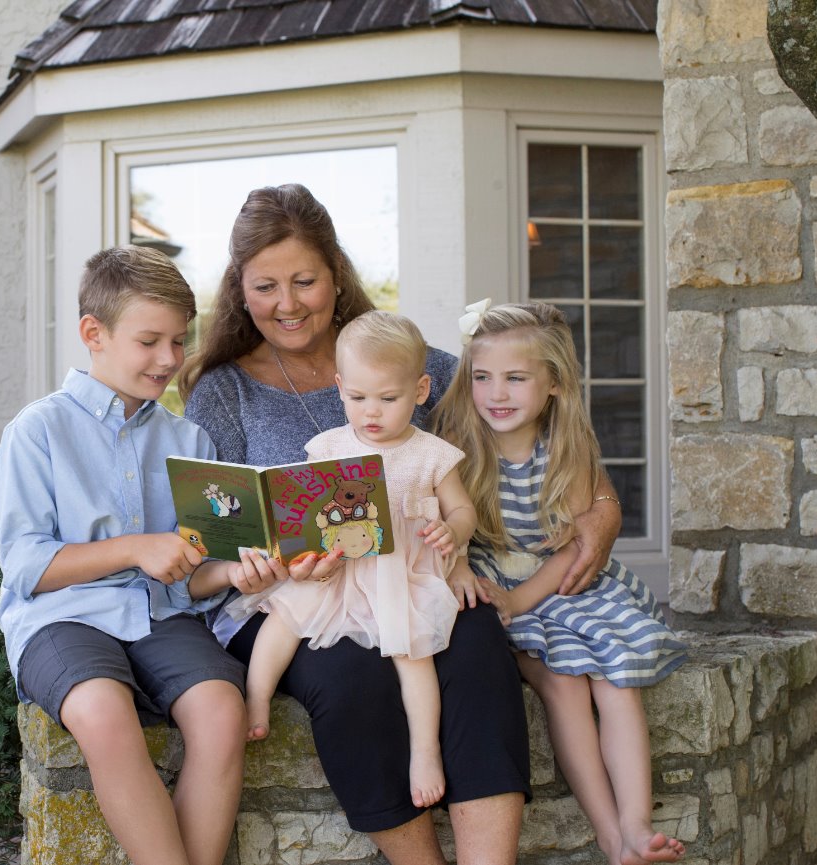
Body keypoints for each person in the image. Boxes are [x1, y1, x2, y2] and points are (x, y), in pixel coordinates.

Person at [180, 183, 623, 865]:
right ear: (240, 289)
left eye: (305, 279)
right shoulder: (223, 394)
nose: (288, 303)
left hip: (415, 575)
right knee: (353, 680)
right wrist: (256, 562)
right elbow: (208, 544)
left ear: (336, 274)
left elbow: (531, 420)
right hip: (295, 598)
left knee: (476, 646)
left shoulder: (411, 362)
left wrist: (603, 507)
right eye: (266, 285)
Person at [0, 245, 274, 865]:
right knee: (102, 712)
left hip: (159, 618)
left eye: (179, 340)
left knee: (222, 712)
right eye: (150, 341)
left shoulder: (188, 440)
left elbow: (187, 576)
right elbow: (27, 568)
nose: (169, 359)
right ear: (95, 333)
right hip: (59, 619)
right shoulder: (36, 431)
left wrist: (236, 570)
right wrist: (137, 548)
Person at [433, 299, 687, 865]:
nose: (497, 394)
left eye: (516, 378)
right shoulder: (454, 449)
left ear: (552, 383)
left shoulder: (565, 453)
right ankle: (608, 833)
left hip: (558, 586)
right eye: (483, 377)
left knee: (617, 681)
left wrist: (518, 601)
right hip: (492, 581)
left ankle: (637, 824)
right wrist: (468, 579)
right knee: (564, 685)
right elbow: (438, 530)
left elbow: (574, 549)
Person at [226, 310, 476, 811]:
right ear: (339, 388)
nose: (372, 412)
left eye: (389, 398)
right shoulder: (328, 446)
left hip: (400, 574)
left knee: (413, 658)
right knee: (283, 616)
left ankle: (424, 753)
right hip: (338, 565)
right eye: (358, 398)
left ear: (421, 389)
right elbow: (310, 509)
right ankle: (256, 696)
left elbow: (463, 508)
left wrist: (453, 531)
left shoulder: (431, 454)